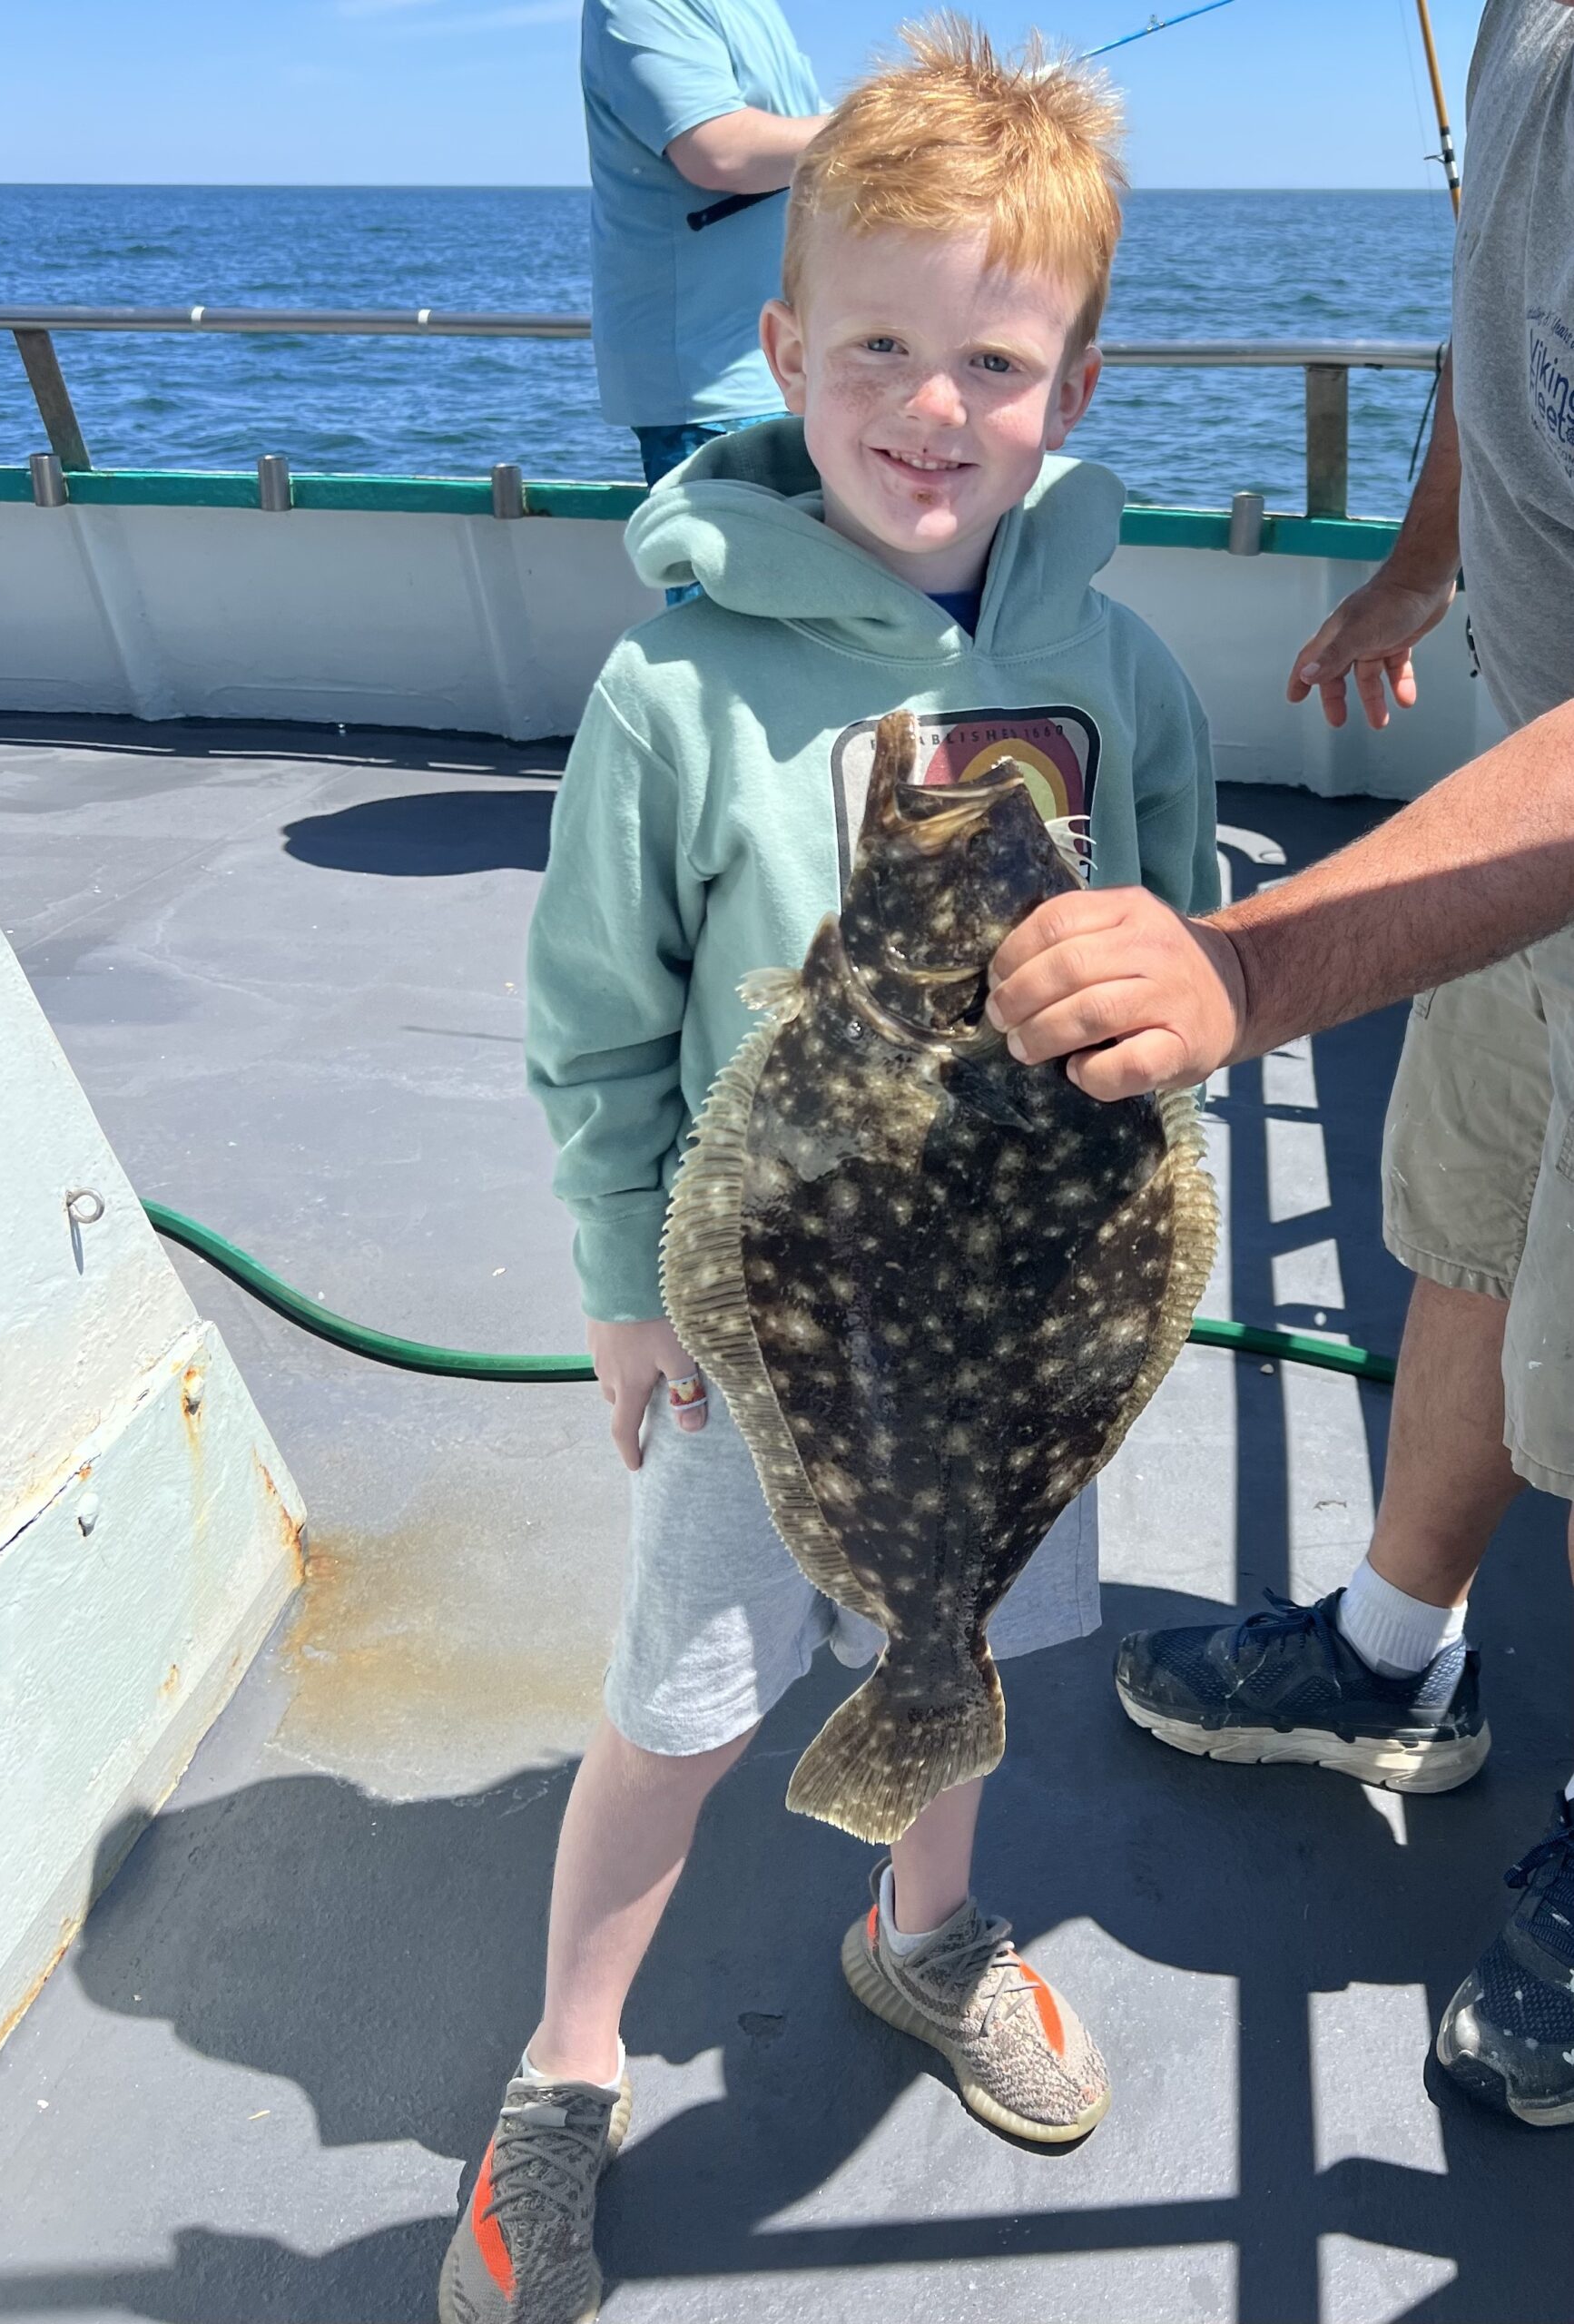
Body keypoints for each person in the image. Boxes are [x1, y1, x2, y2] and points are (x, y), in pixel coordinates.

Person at [440, 25, 1220, 2319]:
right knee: (679, 1707)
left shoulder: (1127, 667)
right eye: (876, 342)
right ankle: (565, 2066)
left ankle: (923, 1923)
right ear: (782, 351)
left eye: (994, 355)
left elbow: (1174, 958)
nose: (930, 403)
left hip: (1016, 1315)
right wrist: (622, 1281)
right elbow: (598, 1017)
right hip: (764, 1316)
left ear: (1069, 388)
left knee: (951, 1646)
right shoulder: (674, 692)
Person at [987, 0, 1574, 2131]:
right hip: (1531, 794)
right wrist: (1427, 556)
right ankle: (1386, 1649)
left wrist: (1250, 959)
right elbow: (1508, 310)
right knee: (1474, 1224)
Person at [581, 0, 824, 493]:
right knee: (735, 572)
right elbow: (720, 151)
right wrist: (897, 121)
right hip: (720, 393)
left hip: (796, 373)